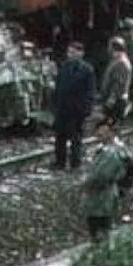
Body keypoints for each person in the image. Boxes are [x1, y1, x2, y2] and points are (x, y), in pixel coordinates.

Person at [81, 116, 132, 242]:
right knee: (102, 227)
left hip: (101, 197)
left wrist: (86, 183)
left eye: (103, 130)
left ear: (111, 132)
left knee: (99, 227)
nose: (99, 133)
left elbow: (101, 176)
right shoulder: (110, 149)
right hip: (103, 196)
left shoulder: (111, 153)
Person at [52, 41, 96, 170]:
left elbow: (90, 91)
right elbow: (59, 86)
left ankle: (75, 163)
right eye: (69, 52)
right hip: (63, 107)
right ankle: (59, 162)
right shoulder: (64, 67)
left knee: (75, 137)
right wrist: (55, 104)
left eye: (73, 52)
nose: (70, 55)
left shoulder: (87, 70)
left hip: (77, 109)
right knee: (60, 136)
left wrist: (87, 109)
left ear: (81, 53)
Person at [99, 37, 132, 122]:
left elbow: (118, 83)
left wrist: (111, 100)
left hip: (116, 101)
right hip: (114, 100)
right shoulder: (116, 60)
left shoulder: (121, 62)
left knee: (109, 127)